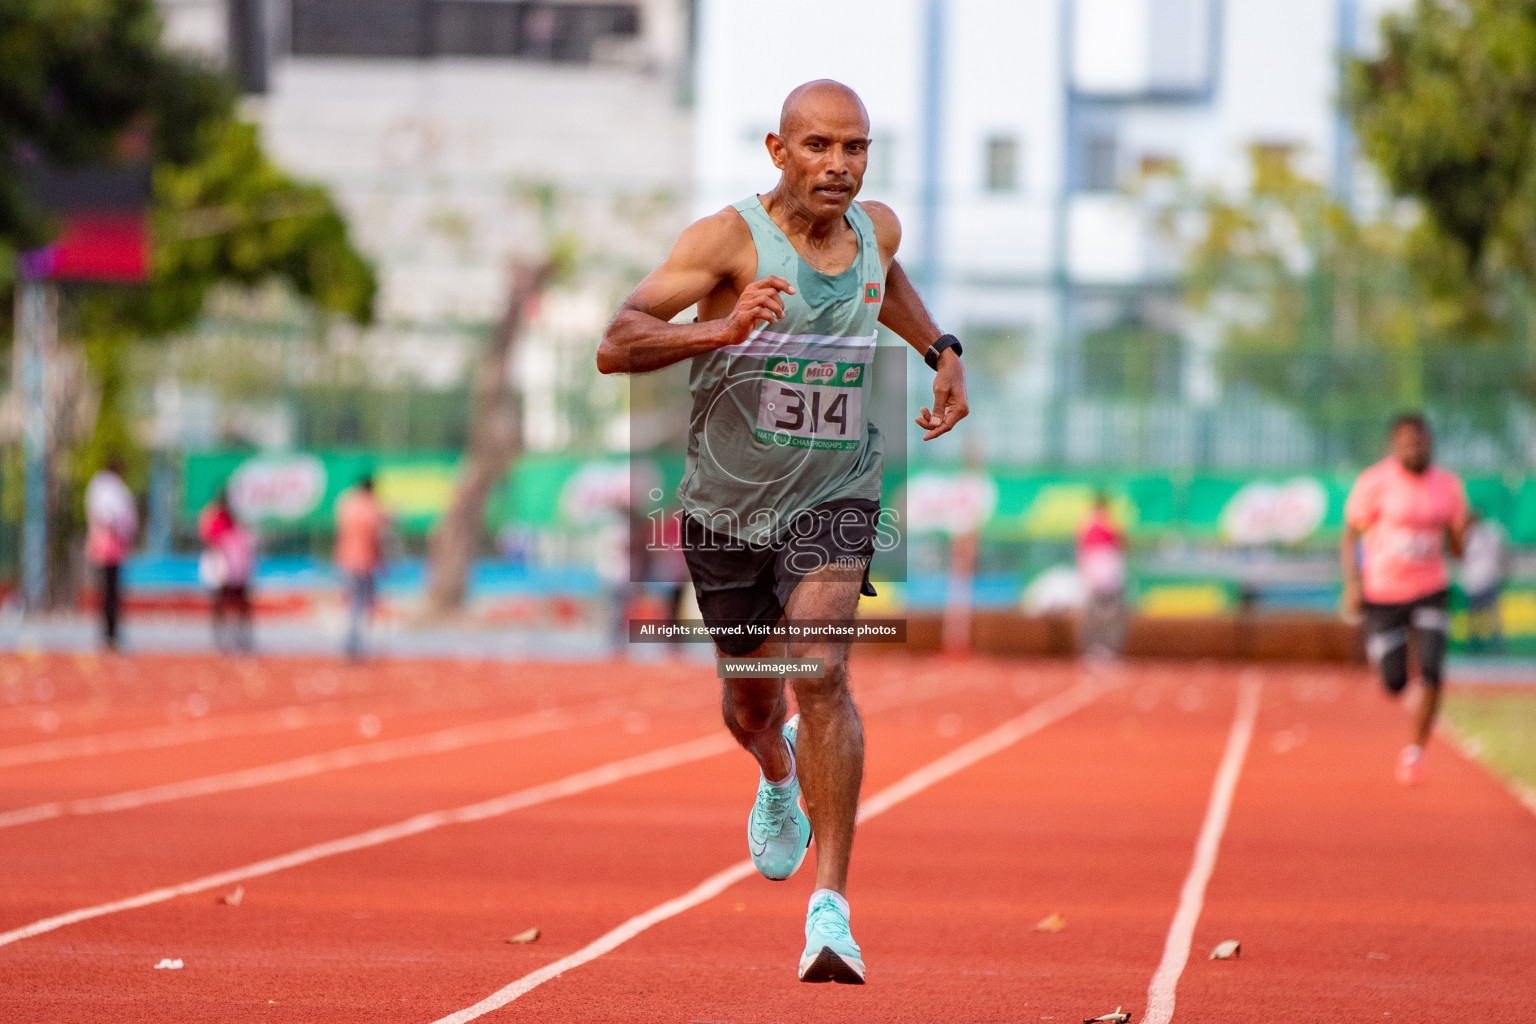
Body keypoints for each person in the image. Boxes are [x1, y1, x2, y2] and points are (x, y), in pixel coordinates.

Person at [597, 80, 968, 984]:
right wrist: (721, 329)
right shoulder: (726, 241)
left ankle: (831, 911)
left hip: (835, 493)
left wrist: (941, 352)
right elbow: (616, 341)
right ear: (777, 150)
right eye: (818, 147)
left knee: (822, 669)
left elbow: (888, 287)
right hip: (727, 510)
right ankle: (775, 773)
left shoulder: (876, 229)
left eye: (855, 147)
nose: (839, 165)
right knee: (752, 704)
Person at [1342, 413, 1467, 785]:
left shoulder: (1447, 486)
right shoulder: (1375, 483)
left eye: (1420, 442)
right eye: (1407, 443)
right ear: (1394, 446)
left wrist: (1462, 536)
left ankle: (1415, 753)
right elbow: (1351, 533)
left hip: (1431, 587)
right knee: (1394, 682)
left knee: (1432, 669)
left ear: (1430, 442)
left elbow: (1457, 545)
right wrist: (1353, 583)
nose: (1415, 449)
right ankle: (1382, 649)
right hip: (1384, 591)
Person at [83, 459, 138, 650]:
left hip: (108, 545)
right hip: (109, 546)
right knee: (110, 593)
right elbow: (111, 515)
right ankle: (109, 633)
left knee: (109, 592)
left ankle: (110, 632)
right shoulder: (109, 487)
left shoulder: (101, 486)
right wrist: (120, 530)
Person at [335, 475, 387, 661]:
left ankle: (351, 643)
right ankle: (357, 645)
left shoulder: (347, 503)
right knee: (363, 604)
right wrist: (381, 561)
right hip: (364, 562)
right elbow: (374, 537)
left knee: (352, 603)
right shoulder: (370, 507)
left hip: (346, 560)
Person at [198, 490, 256, 654]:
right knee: (222, 602)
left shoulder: (233, 519)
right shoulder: (213, 517)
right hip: (221, 564)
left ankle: (240, 638)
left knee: (239, 602)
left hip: (235, 564)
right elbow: (209, 539)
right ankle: (223, 638)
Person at [1076, 492, 1128, 660]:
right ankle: (1098, 648)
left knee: (1104, 614)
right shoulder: (1104, 524)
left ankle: (1100, 648)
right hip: (1103, 573)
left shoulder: (1089, 524)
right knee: (1100, 614)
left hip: (1102, 573)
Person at [1460, 508, 1510, 654]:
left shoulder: (1474, 535)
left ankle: (1487, 647)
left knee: (1485, 618)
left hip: (1479, 582)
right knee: (1480, 619)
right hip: (1481, 582)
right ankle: (1486, 647)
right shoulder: (1490, 533)